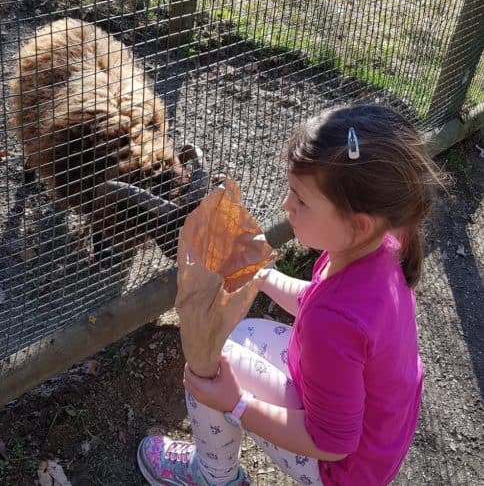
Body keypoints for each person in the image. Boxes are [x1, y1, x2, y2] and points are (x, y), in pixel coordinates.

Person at [136, 104, 446, 485]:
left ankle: (212, 476)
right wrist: (262, 275)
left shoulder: (331, 321)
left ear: (357, 224)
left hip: (341, 468)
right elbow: (314, 299)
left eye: (300, 200)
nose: (286, 206)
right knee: (241, 334)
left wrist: (236, 404)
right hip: (379, 437)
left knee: (210, 365)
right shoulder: (382, 244)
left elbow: (331, 443)